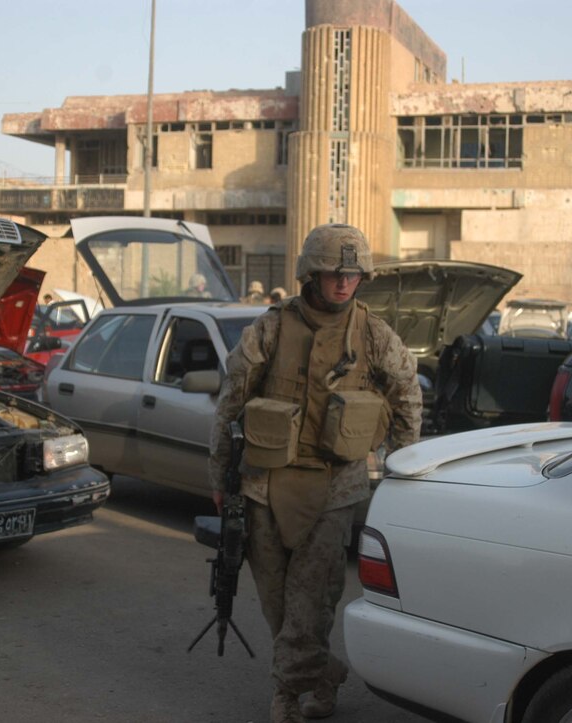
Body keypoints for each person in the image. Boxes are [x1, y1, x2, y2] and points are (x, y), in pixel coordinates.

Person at [208, 224, 422, 722]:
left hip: (335, 485)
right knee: (277, 604)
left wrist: (404, 468)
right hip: (264, 483)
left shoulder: (373, 334)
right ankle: (324, 674)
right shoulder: (271, 328)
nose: (344, 283)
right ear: (311, 274)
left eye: (352, 274)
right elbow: (230, 401)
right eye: (333, 273)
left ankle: (285, 691)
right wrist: (219, 478)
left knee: (311, 602)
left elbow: (408, 396)